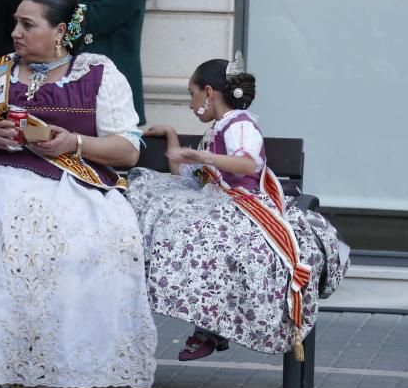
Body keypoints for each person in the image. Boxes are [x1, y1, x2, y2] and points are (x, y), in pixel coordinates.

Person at [0, 0, 157, 388]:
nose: (15, 33)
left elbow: (128, 150)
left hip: (74, 185)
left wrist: (75, 142)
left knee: (63, 236)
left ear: (61, 32)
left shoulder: (98, 73)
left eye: (28, 25)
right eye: (15, 22)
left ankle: (49, 366)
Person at [127, 54, 348, 361]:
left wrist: (204, 158)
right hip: (218, 201)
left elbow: (247, 163)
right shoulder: (219, 129)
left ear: (208, 92)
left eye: (191, 96)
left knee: (204, 242)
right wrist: (172, 137)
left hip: (242, 206)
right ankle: (201, 320)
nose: (191, 105)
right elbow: (189, 173)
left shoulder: (239, 124)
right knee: (161, 217)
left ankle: (208, 325)